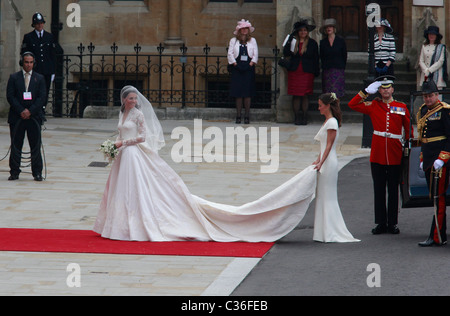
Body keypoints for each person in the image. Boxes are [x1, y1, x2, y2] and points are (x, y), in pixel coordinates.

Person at [94, 86, 323, 242]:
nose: (134, 101)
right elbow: (120, 130)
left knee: (137, 189)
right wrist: (114, 145)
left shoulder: (138, 115)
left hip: (134, 154)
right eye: (131, 98)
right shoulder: (123, 113)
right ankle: (119, 224)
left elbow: (143, 137)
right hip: (124, 155)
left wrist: (124, 142)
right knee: (121, 190)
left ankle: (137, 223)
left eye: (135, 98)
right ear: (124, 100)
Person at [348, 76, 412, 235]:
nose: (385, 90)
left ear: (392, 89)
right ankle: (381, 222)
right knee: (379, 189)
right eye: (382, 88)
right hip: (377, 154)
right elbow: (352, 104)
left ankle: (392, 223)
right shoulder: (373, 105)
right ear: (379, 90)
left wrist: (408, 148)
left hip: (394, 152)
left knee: (393, 190)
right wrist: (365, 92)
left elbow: (408, 129)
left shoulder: (401, 107)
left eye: (388, 87)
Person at [312, 93, 360, 243]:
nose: (319, 108)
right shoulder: (328, 121)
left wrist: (321, 162)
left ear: (327, 106)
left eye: (321, 105)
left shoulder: (332, 122)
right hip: (325, 161)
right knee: (322, 196)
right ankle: (322, 232)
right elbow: (323, 146)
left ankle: (331, 231)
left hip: (329, 163)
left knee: (328, 196)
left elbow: (329, 146)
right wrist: (317, 160)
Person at [416, 80, 450, 247]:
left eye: (430, 96)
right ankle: (437, 233)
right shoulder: (423, 110)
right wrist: (423, 159)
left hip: (440, 161)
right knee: (434, 197)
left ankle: (437, 236)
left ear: (437, 95)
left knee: (438, 197)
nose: (428, 99)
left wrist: (442, 158)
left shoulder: (444, 111)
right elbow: (424, 138)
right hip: (430, 159)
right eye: (425, 96)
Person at [6, 52, 47, 181]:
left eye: (30, 62)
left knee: (35, 144)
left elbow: (42, 98)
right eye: (26, 62)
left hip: (34, 117)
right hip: (17, 117)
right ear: (22, 63)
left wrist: (30, 111)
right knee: (16, 144)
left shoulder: (39, 78)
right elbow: (10, 96)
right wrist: (21, 111)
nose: (28, 65)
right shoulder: (14, 78)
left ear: (33, 63)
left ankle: (37, 172)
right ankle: (14, 171)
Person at [283, 19, 319, 125]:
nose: (303, 32)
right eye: (301, 31)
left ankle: (304, 116)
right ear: (298, 32)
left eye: (305, 30)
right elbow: (286, 53)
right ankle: (297, 117)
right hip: (295, 71)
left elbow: (316, 58)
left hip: (307, 72)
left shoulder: (312, 43)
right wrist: (289, 41)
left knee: (305, 95)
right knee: (296, 95)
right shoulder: (294, 42)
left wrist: (316, 71)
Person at [21, 12, 56, 112]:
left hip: (47, 70)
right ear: (34, 25)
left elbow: (53, 55)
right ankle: (34, 110)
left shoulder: (49, 36)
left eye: (41, 23)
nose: (40, 25)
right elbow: (24, 53)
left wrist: (53, 71)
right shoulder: (28, 37)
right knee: (33, 90)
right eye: (37, 23)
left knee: (44, 92)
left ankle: (42, 111)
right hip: (35, 70)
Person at [228, 19, 258, 125]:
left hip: (249, 67)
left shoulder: (252, 40)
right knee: (238, 93)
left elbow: (255, 53)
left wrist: (251, 64)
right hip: (237, 67)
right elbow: (230, 53)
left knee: (247, 92)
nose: (244, 30)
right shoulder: (233, 40)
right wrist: (235, 64)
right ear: (239, 30)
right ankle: (238, 115)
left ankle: (247, 115)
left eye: (246, 29)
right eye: (242, 29)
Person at [319, 19, 347, 98]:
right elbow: (322, 56)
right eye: (327, 27)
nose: (329, 29)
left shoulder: (341, 41)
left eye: (330, 27)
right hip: (327, 70)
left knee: (336, 94)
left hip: (338, 69)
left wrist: (342, 67)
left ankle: (336, 109)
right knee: (327, 94)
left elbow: (344, 55)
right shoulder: (323, 42)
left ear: (334, 29)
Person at [418, 26, 447, 94]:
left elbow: (440, 61)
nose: (431, 36)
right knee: (426, 96)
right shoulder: (424, 46)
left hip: (437, 77)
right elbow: (421, 60)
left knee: (437, 98)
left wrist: (430, 70)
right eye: (430, 34)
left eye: (433, 34)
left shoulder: (441, 47)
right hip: (425, 75)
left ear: (436, 36)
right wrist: (426, 70)